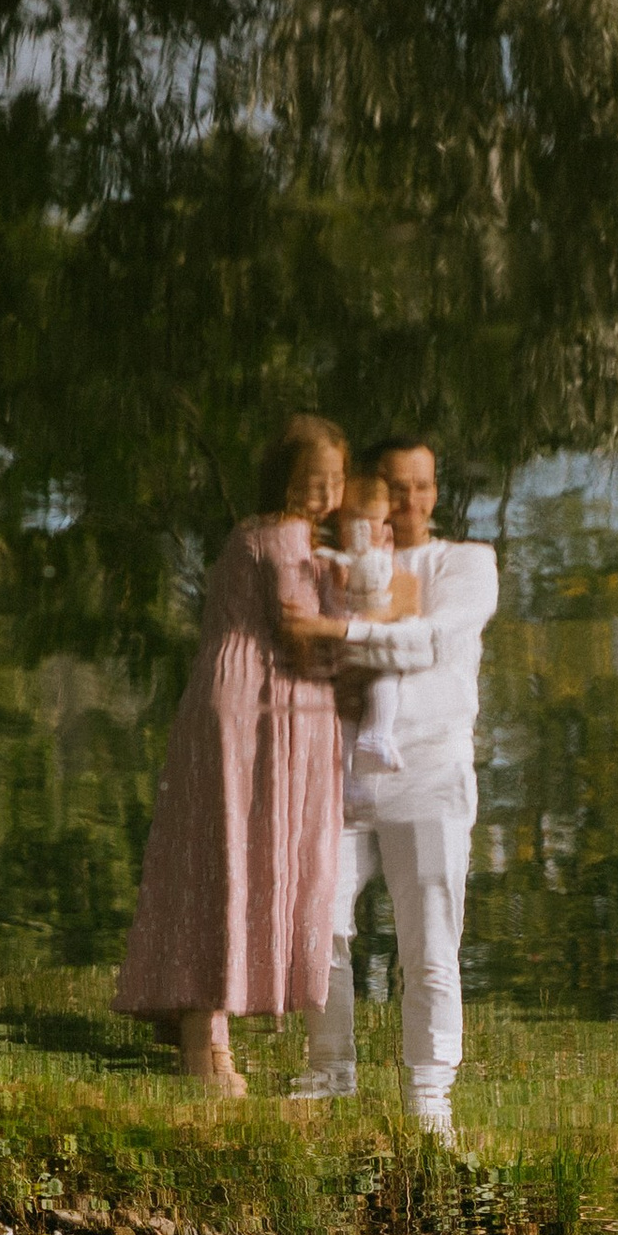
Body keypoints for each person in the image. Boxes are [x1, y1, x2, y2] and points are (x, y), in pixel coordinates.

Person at [113, 415, 350, 1095]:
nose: (325, 494)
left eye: (335, 481)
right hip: (253, 702)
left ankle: (194, 1017)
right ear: (284, 480)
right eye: (313, 480)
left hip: (241, 697)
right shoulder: (283, 537)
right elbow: (303, 632)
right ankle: (203, 1040)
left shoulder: (257, 533)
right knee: (232, 861)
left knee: (212, 854)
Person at [289, 435, 499, 1136]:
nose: (411, 502)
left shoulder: (466, 563)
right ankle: (329, 1070)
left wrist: (337, 631)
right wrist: (333, 635)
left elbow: (431, 640)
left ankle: (429, 1095)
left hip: (431, 772)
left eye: (424, 486)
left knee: (430, 942)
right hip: (343, 771)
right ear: (369, 490)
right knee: (319, 922)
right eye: (397, 487)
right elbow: (300, 649)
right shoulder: (330, 564)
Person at [314, 463, 420, 779]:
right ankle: (350, 770)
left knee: (383, 681)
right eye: (357, 521)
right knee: (353, 699)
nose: (370, 529)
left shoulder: (386, 554)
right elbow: (331, 604)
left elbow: (399, 593)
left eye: (378, 520)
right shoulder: (336, 560)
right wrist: (338, 584)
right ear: (341, 525)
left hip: (371, 638)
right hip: (346, 638)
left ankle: (374, 738)